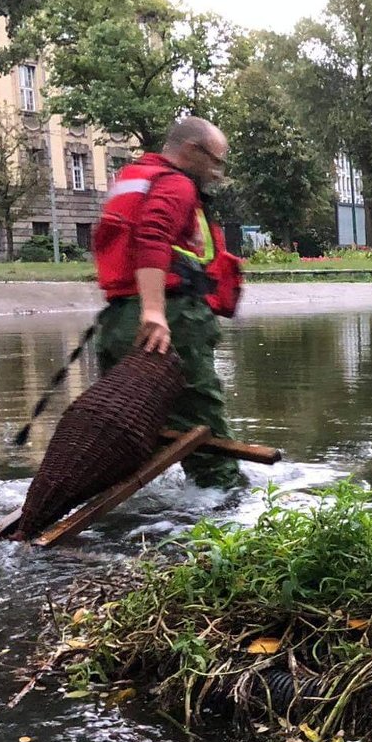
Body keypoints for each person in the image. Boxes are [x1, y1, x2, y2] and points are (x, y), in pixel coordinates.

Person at [91, 116, 246, 490]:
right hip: (171, 320)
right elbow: (152, 237)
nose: (217, 173)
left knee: (128, 427)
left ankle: (113, 506)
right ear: (191, 150)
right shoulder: (176, 185)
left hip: (117, 323)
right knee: (203, 427)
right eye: (215, 161)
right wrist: (155, 312)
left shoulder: (134, 179)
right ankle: (228, 510)